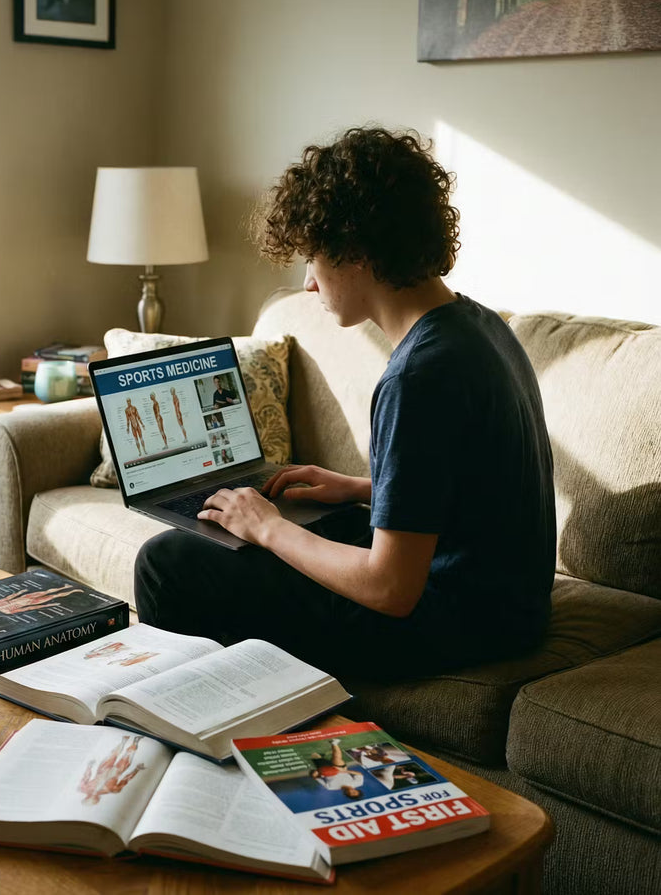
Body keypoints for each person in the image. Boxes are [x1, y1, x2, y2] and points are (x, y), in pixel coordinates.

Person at [134, 125, 556, 679]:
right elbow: (478, 489)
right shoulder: (477, 327)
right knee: (299, 527)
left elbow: (390, 588)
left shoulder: (418, 376)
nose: (309, 283)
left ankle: (203, 717)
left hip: (454, 620)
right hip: (507, 603)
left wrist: (269, 528)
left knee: (167, 563)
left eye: (312, 257)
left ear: (355, 251)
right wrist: (362, 487)